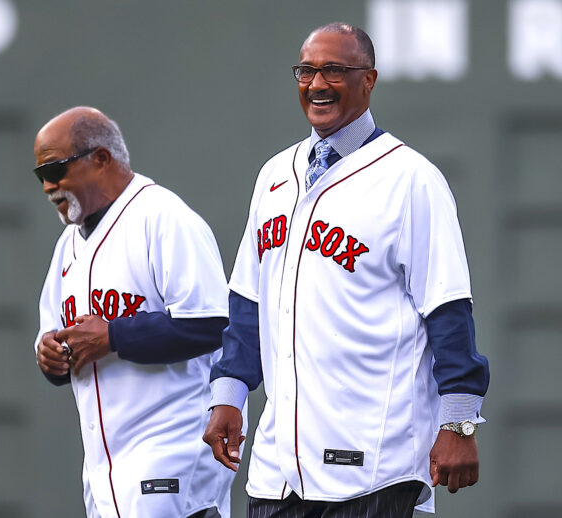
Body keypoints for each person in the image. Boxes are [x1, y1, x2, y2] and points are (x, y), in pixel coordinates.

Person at [202, 23, 490, 517]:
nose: (317, 84)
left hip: (375, 467)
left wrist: (459, 423)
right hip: (279, 471)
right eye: (307, 71)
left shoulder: (411, 180)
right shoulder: (274, 175)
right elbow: (248, 304)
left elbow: (448, 310)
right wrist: (228, 395)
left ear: (369, 79)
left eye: (335, 70)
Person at [33, 106, 237, 518]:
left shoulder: (163, 218)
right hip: (104, 467)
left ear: (101, 159)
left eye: (55, 170)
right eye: (41, 176)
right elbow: (53, 343)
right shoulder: (67, 247)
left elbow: (214, 325)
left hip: (173, 450)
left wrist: (113, 336)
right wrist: (50, 355)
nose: (48, 186)